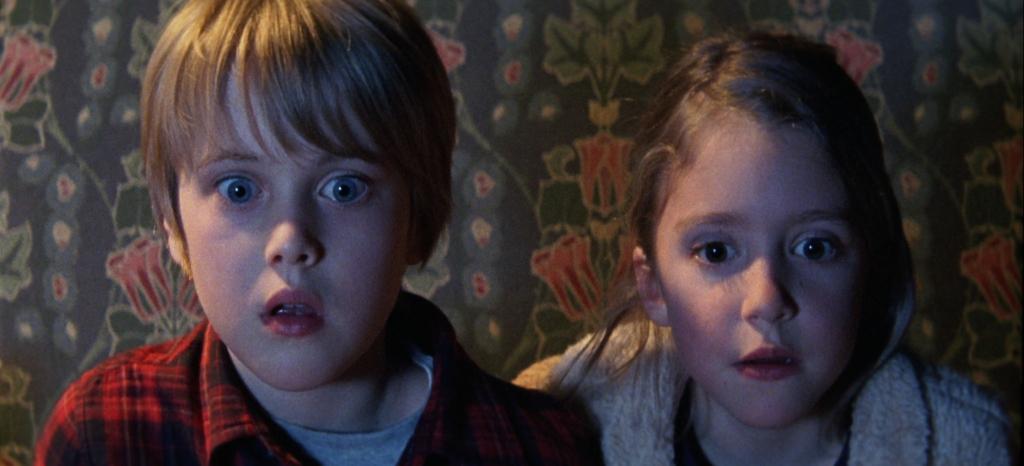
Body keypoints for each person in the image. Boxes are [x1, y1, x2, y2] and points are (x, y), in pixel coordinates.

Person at [35, 1, 601, 464]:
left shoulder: (542, 448)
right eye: (238, 189)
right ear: (174, 227)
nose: (291, 241)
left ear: (418, 216)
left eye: (344, 188)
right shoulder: (103, 433)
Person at [515, 32, 1011, 466]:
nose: (768, 301)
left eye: (814, 247)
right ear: (654, 286)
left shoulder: (962, 449)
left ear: (870, 266)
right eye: (716, 252)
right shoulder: (558, 426)